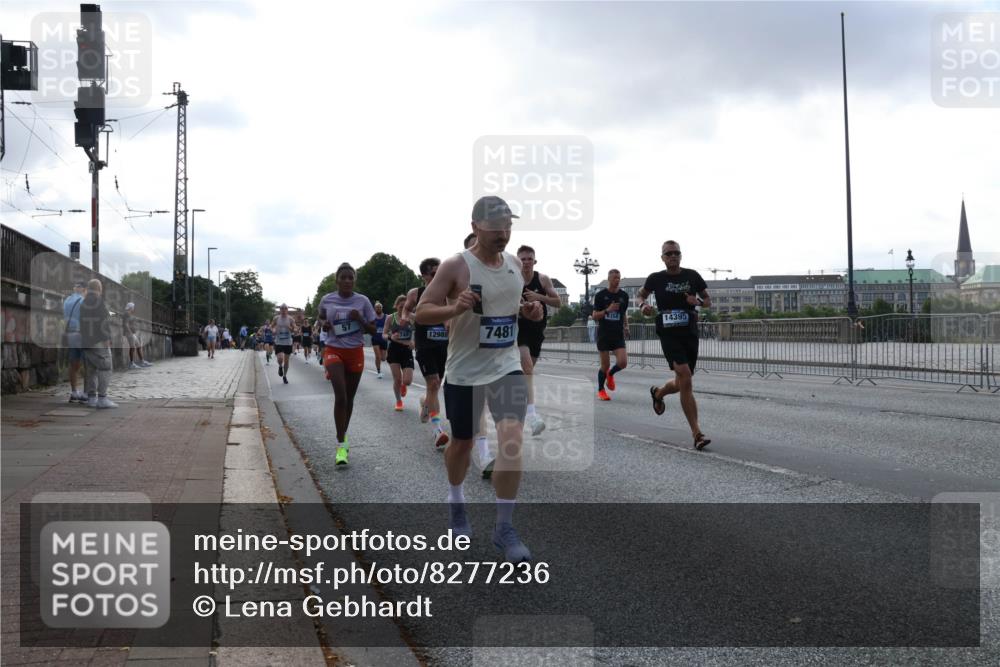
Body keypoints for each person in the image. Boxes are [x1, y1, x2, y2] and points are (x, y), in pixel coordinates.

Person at [416, 195, 544, 563]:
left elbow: (513, 309)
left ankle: (504, 528)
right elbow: (422, 312)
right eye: (495, 227)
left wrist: (530, 312)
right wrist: (454, 307)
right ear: (475, 226)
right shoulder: (456, 266)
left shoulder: (514, 266)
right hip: (465, 371)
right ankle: (456, 501)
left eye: (508, 226)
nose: (503, 234)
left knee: (512, 441)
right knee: (462, 444)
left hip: (505, 366)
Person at [639, 240, 712, 450]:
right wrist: (644, 305)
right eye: (668, 253)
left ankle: (659, 393)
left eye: (676, 253)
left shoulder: (692, 276)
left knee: (683, 382)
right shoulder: (656, 278)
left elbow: (708, 301)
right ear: (662, 257)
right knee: (686, 376)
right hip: (668, 332)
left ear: (681, 256)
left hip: (689, 332)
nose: (672, 256)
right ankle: (697, 433)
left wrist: (696, 302)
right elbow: (640, 295)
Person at [318, 263, 377, 465]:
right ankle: (341, 443)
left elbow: (373, 330)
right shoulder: (327, 299)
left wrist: (359, 317)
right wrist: (324, 324)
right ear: (337, 280)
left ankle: (343, 434)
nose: (347, 281)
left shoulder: (363, 301)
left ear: (354, 280)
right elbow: (321, 316)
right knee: (341, 396)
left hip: (355, 352)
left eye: (350, 278)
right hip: (333, 349)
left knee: (349, 399)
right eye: (343, 277)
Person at [515, 245, 560, 435]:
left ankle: (519, 401)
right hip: (519, 326)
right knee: (527, 367)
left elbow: (557, 301)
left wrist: (538, 297)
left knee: (528, 371)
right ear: (517, 261)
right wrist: (522, 306)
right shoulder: (512, 278)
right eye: (522, 259)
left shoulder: (542, 279)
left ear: (535, 261)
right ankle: (532, 416)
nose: (526, 262)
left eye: (529, 259)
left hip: (537, 328)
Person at [406, 258, 450, 448]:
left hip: (443, 345)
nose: (438, 277)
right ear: (424, 276)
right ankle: (437, 430)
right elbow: (405, 311)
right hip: (424, 345)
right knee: (432, 383)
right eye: (434, 273)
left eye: (440, 273)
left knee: (435, 386)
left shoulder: (448, 293)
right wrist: (413, 317)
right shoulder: (416, 293)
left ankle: (425, 402)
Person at [592, 269, 631, 401]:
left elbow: (623, 313)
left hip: (617, 334)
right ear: (608, 279)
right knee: (605, 365)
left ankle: (611, 374)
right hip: (604, 334)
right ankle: (601, 390)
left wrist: (626, 326)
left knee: (623, 362)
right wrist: (607, 310)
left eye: (618, 278)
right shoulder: (600, 296)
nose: (617, 280)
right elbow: (594, 316)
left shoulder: (624, 296)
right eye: (614, 278)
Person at [79, 279, 117, 409]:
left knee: (91, 370)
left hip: (86, 342)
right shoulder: (99, 302)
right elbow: (103, 322)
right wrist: (107, 338)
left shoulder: (83, 302)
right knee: (105, 367)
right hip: (98, 342)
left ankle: (91, 398)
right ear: (99, 289)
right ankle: (102, 398)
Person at [385, 295, 414, 412]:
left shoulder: (412, 318)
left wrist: (414, 342)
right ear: (396, 306)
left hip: (407, 350)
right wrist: (391, 336)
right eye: (400, 306)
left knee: (407, 381)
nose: (402, 309)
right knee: (397, 379)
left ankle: (403, 385)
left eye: (405, 307)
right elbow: (383, 334)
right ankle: (398, 401)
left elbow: (419, 333)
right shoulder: (390, 318)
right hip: (394, 350)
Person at [62, 281, 87, 402]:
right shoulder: (83, 301)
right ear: (84, 289)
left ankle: (74, 392)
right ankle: (86, 393)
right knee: (88, 364)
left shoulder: (66, 301)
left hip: (70, 334)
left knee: (73, 365)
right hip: (81, 334)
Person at [272, 304, 296, 384]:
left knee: (286, 360)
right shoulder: (276, 318)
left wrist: (290, 328)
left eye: (285, 309)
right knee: (280, 358)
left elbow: (295, 329)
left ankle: (285, 376)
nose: (283, 310)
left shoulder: (290, 319)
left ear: (287, 310)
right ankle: (280, 366)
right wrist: (273, 330)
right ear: (280, 310)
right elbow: (272, 326)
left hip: (288, 342)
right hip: (279, 341)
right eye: (282, 309)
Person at [371, 302, 388, 378]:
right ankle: (379, 372)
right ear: (375, 309)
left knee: (383, 358)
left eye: (379, 307)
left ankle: (379, 363)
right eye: (377, 307)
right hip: (375, 339)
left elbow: (390, 326)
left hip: (383, 339)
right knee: (378, 356)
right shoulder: (372, 317)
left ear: (382, 308)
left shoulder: (386, 317)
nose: (378, 309)